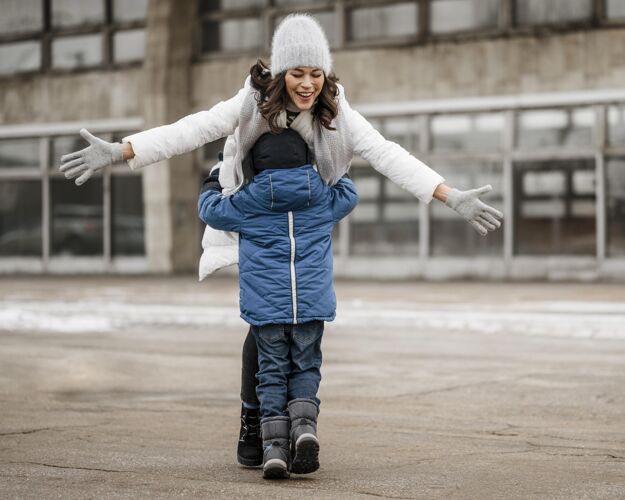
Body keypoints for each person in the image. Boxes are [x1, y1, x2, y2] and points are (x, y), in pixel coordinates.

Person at [59, 13, 503, 472]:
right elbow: (191, 129)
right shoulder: (251, 100)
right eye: (297, 73)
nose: (307, 84)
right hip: (252, 209)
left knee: (267, 327)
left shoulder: (335, 107)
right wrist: (121, 149)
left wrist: (449, 196)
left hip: (303, 221)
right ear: (280, 72)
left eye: (315, 73)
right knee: (265, 330)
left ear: (326, 74)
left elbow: (386, 152)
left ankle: (267, 425)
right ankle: (258, 421)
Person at [198, 124, 358, 478]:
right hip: (311, 305)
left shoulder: (247, 201)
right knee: (305, 367)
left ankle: (273, 450)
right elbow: (349, 194)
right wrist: (333, 169)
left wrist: (213, 178)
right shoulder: (321, 196)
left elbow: (210, 210)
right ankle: (304, 428)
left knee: (270, 374)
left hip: (267, 309)